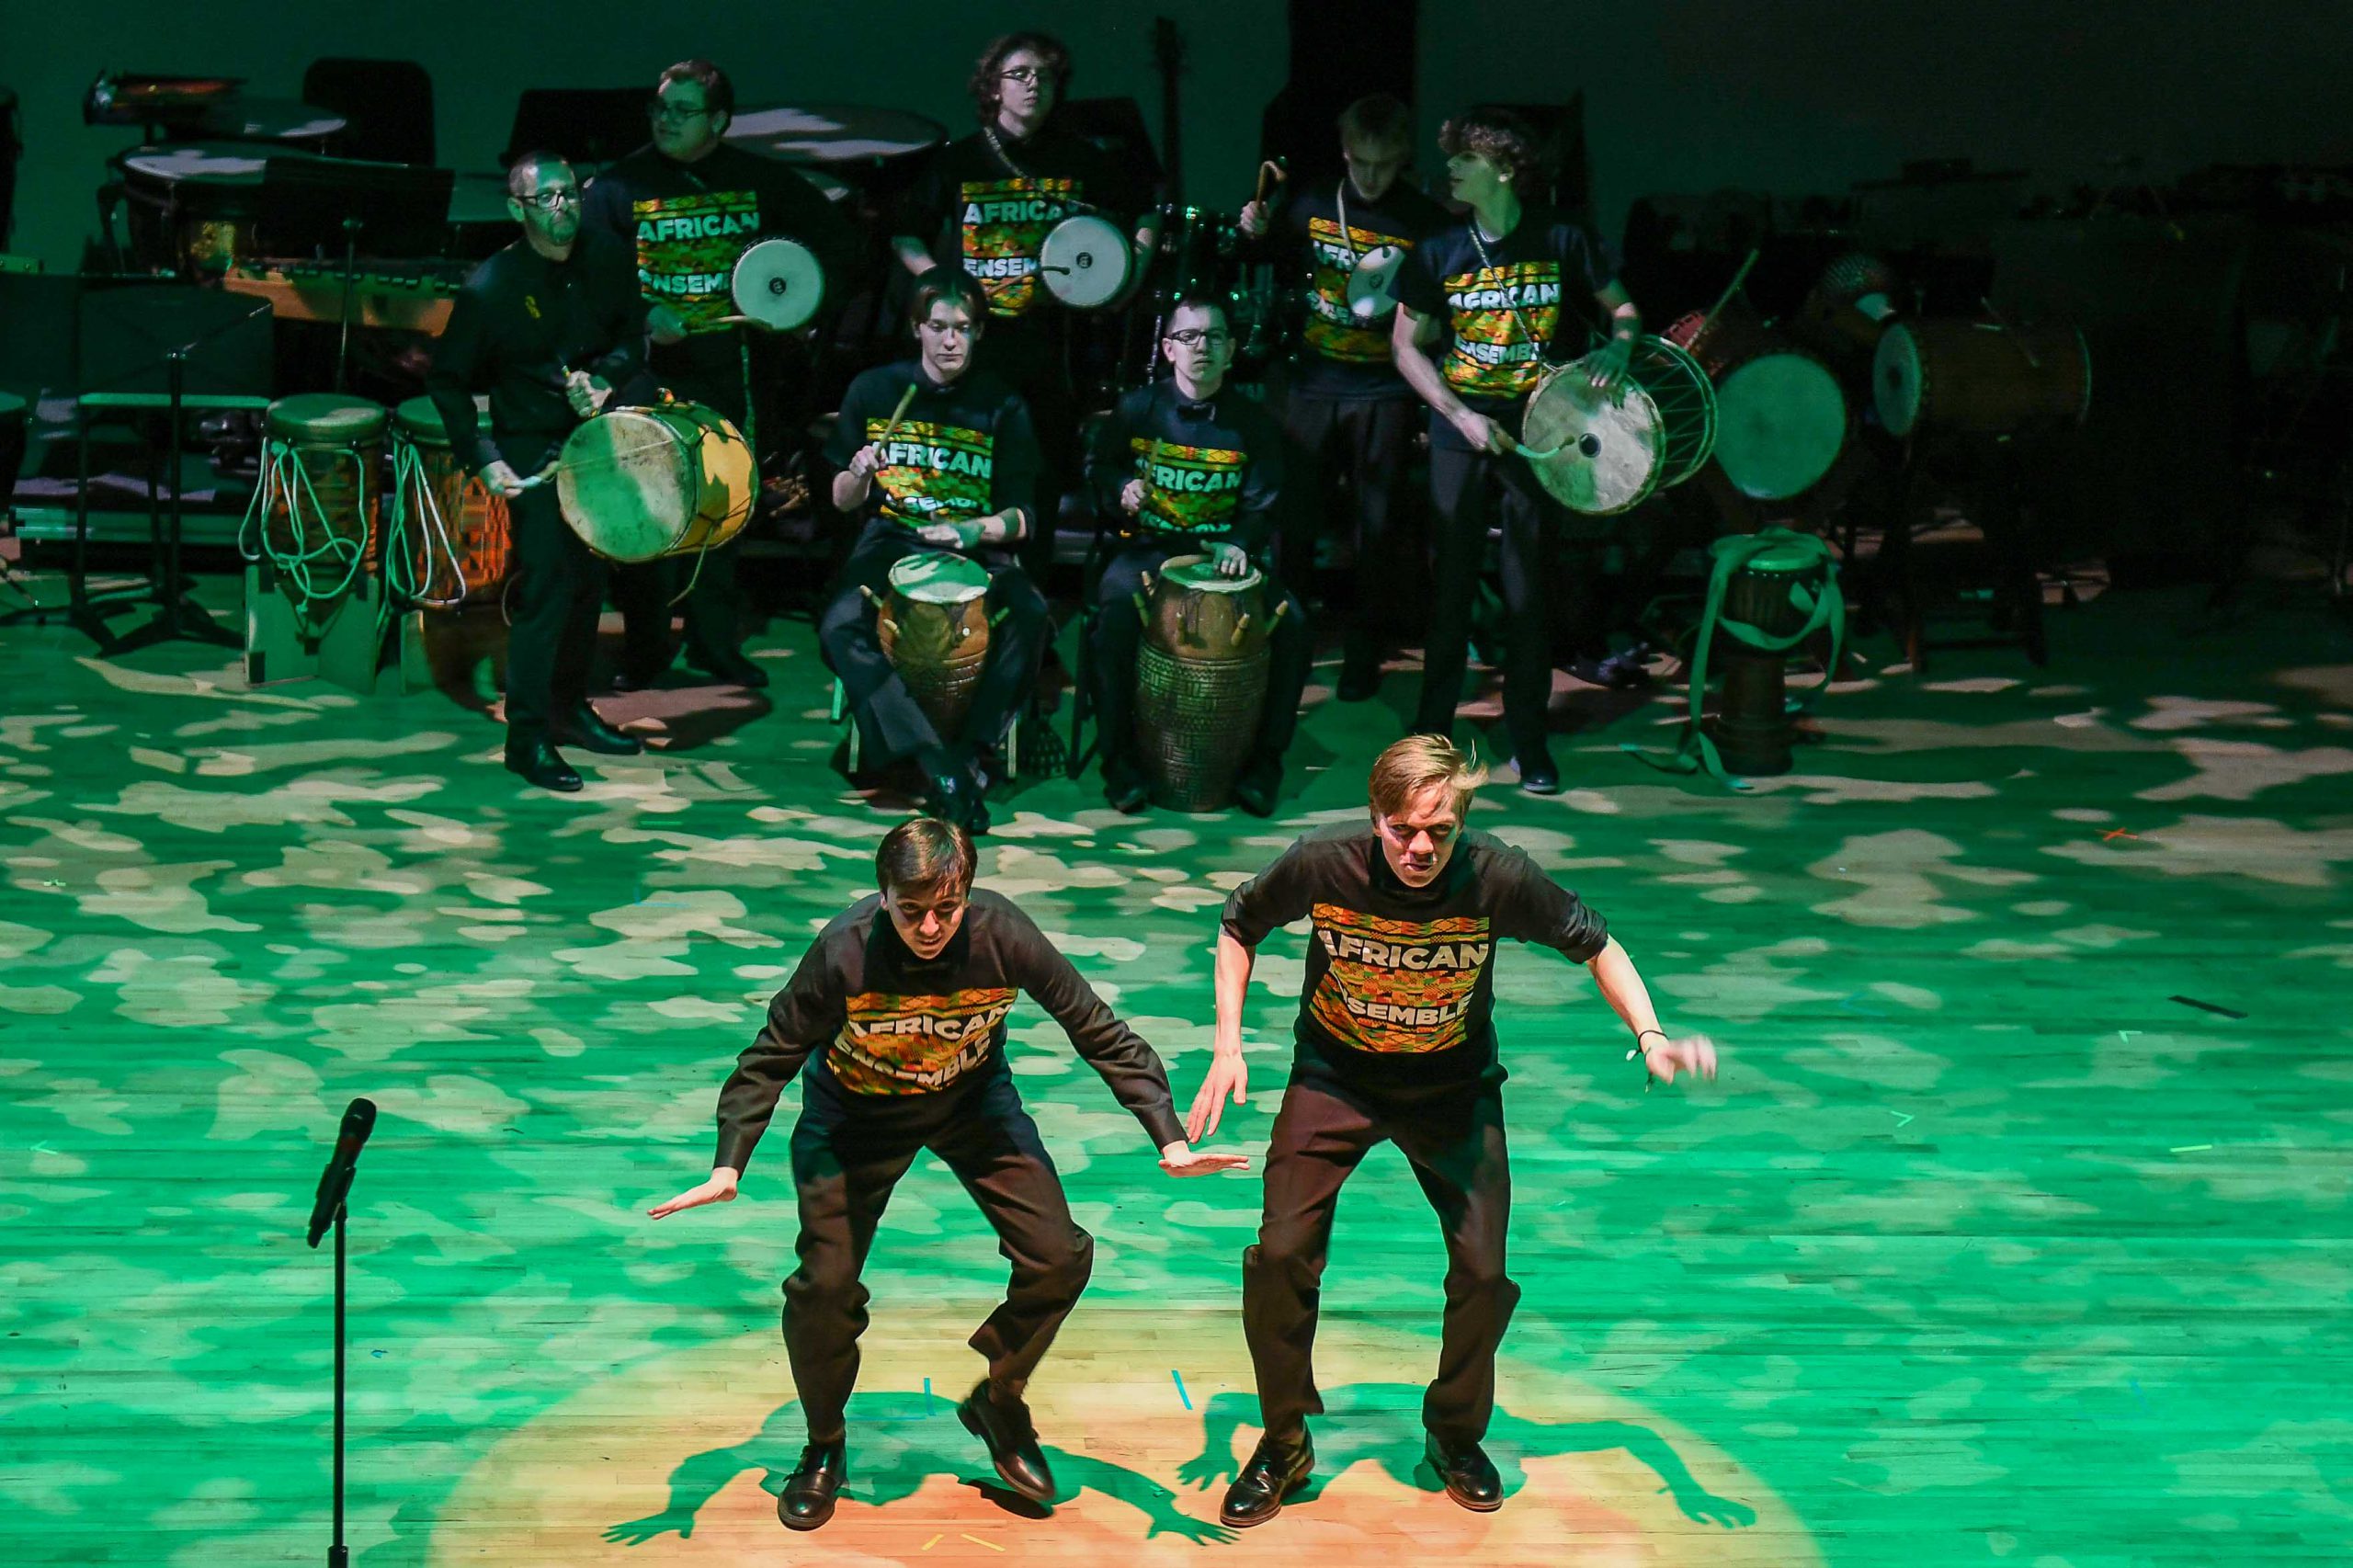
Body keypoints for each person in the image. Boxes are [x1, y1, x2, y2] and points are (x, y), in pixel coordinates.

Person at [648, 816, 1248, 1531]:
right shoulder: (843, 951)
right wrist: (729, 1162)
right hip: (854, 1119)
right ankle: (824, 1445)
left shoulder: (1004, 934)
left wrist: (1168, 1137)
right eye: (911, 911)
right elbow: (766, 1058)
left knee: (1059, 1256)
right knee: (824, 1288)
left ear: (967, 894)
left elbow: (1097, 1029)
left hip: (971, 1104)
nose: (930, 927)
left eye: (947, 908)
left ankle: (999, 1399)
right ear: (883, 897)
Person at [1187, 734, 1720, 1528]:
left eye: (1439, 831)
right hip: (1334, 1078)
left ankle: (1456, 1434)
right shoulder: (1323, 862)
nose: (1420, 848)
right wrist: (1228, 1044)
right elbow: (1239, 924)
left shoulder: (1498, 874)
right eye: (1403, 830)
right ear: (1376, 817)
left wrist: (1650, 1035)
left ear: (1461, 823)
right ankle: (1285, 1440)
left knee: (1482, 1273)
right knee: (1281, 1256)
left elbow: (1596, 944)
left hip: (1452, 1091)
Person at [583, 58, 859, 691]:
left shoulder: (759, 181)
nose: (666, 120)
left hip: (730, 369)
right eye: (660, 108)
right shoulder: (617, 188)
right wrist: (641, 314)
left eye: (683, 111)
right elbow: (589, 278)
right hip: (647, 374)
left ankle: (713, 643)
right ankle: (647, 647)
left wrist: (792, 310)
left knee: (723, 505)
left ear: (719, 121)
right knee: (648, 510)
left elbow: (838, 247)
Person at [1390, 107, 1643, 794]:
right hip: (1461, 430)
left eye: (1465, 159)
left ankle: (1530, 740)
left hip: (1539, 432)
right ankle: (1430, 741)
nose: (1450, 169)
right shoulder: (1438, 248)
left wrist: (1619, 350)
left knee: (1529, 590)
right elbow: (1405, 347)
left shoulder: (1562, 236)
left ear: (1502, 169)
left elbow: (1623, 309)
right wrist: (1460, 415)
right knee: (1450, 591)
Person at [892, 31, 1159, 574]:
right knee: (967, 462)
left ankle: (1029, 587)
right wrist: (944, 288)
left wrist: (1128, 278)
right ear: (993, 87)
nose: (1033, 85)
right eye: (1019, 74)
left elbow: (1146, 210)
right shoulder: (960, 161)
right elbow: (905, 234)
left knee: (1041, 469)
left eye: (1045, 76)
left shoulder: (1079, 159)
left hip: (1050, 341)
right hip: (975, 341)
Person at [426, 151, 646, 794]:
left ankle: (569, 707)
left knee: (589, 581)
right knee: (550, 585)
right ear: (515, 208)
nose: (562, 207)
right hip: (531, 446)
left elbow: (633, 336)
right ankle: (525, 737)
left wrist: (605, 379)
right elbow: (447, 381)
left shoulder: (607, 257)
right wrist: (484, 456)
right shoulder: (491, 288)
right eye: (546, 198)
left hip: (595, 436)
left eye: (570, 193)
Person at [819, 270, 1047, 834]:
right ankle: (937, 764)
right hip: (894, 540)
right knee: (839, 626)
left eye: (962, 329)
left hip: (974, 547)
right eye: (938, 327)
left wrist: (972, 532)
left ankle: (971, 752)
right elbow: (842, 501)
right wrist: (858, 474)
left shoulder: (1002, 405)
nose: (950, 341)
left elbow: (1024, 517)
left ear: (979, 333)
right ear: (917, 328)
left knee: (1031, 615)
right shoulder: (875, 390)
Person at [1238, 93, 1449, 701]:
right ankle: (1290, 645)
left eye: (1385, 165)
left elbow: (1442, 305)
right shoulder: (1311, 201)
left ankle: (1363, 653)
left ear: (1403, 158)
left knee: (1376, 529)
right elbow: (1266, 258)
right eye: (1362, 163)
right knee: (1294, 523)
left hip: (1384, 387)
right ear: (1345, 151)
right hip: (1310, 381)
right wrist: (1253, 231)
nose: (1372, 177)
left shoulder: (1423, 219)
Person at [1083, 293, 1309, 817]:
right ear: (1168, 348)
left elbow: (1265, 503)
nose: (1201, 346)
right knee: (1113, 616)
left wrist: (1241, 542)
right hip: (1150, 549)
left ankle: (1263, 766)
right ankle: (1120, 762)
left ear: (1231, 350)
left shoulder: (1254, 422)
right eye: (1188, 336)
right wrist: (1121, 489)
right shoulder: (1138, 409)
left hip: (1221, 553)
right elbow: (1100, 466)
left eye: (1214, 337)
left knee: (1293, 625)